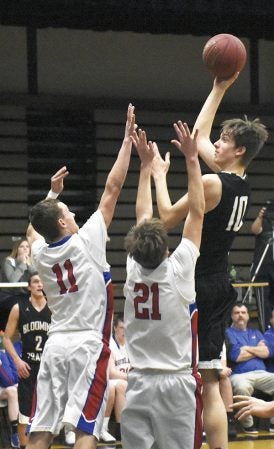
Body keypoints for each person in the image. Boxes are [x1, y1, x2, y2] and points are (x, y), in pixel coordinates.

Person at [151, 74, 268, 449]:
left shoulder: (213, 184)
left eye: (223, 141)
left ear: (235, 151)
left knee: (183, 377)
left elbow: (167, 217)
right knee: (214, 378)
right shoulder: (242, 186)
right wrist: (219, 86)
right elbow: (200, 137)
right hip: (221, 284)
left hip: (194, 284)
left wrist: (157, 176)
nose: (214, 143)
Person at [24, 104, 135, 449]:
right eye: (66, 210)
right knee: (87, 427)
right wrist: (127, 141)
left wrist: (52, 194)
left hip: (56, 345)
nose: (72, 212)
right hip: (88, 344)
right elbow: (113, 188)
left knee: (42, 427)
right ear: (62, 223)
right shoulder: (88, 241)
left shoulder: (41, 255)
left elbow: (32, 232)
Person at [122, 124, 204, 449]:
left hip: (139, 379)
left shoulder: (132, 271)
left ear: (134, 251)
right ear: (166, 250)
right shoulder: (179, 271)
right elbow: (197, 211)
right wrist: (193, 159)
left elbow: (143, 213)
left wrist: (145, 168)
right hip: (175, 382)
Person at [3, 272, 51, 449]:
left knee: (47, 414)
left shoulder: (54, 307)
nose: (40, 285)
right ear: (29, 287)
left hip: (48, 368)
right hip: (27, 366)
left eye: (42, 282)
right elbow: (7, 338)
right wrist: (16, 361)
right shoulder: (19, 307)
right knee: (24, 415)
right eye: (36, 282)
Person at [226, 302, 274, 433]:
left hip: (262, 373)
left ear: (248, 316)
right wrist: (256, 350)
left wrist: (246, 348)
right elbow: (237, 356)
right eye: (237, 313)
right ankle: (248, 425)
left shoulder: (256, 332)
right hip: (239, 375)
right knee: (241, 387)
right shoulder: (228, 333)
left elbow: (266, 352)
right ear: (231, 316)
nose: (240, 316)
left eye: (243, 312)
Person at [100, 316, 130, 443]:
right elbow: (111, 373)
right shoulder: (110, 344)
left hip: (127, 379)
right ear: (115, 328)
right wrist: (130, 377)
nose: (124, 331)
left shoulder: (131, 343)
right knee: (119, 386)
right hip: (112, 379)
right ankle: (116, 429)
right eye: (121, 328)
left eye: (126, 328)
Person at [0, 239, 35, 332]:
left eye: (27, 247)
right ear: (17, 249)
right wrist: (22, 264)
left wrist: (29, 265)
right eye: (22, 247)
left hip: (25, 296)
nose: (25, 249)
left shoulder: (33, 262)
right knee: (22, 305)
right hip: (9, 296)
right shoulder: (9, 261)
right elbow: (13, 280)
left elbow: (36, 277)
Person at [250, 201, 274, 328]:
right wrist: (260, 216)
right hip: (262, 268)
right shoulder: (264, 222)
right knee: (264, 303)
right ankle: (265, 329)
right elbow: (254, 229)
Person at [0, 348, 20, 448]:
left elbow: (13, 377)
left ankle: (16, 433)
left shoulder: (5, 352)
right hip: (3, 387)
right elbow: (7, 380)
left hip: (3, 389)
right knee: (12, 389)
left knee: (13, 390)